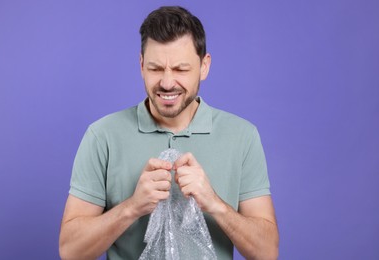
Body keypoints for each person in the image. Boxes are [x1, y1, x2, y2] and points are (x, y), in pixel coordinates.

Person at [59, 6, 279, 260]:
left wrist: (214, 203)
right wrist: (132, 207)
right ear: (141, 65)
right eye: (155, 68)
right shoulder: (102, 136)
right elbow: (70, 251)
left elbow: (267, 252)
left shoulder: (242, 136)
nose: (166, 82)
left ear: (204, 66)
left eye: (181, 70)